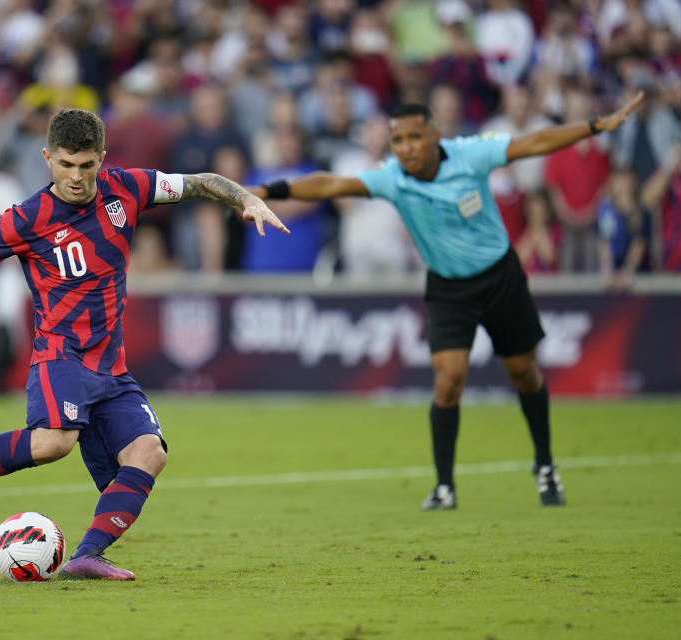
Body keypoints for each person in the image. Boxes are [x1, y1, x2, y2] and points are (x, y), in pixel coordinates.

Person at [0, 109, 288, 580]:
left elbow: (202, 181)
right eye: (66, 165)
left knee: (148, 453)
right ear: (47, 159)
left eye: (86, 165)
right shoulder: (27, 219)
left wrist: (247, 200)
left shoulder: (129, 187)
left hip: (110, 366)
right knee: (54, 442)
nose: (76, 177)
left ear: (102, 159)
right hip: (61, 354)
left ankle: (85, 556)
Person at [252, 92, 644, 510]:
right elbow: (332, 184)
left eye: (414, 138)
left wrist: (594, 126)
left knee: (523, 372)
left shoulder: (471, 156)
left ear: (435, 135)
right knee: (448, 379)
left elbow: (532, 143)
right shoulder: (392, 178)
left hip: (499, 278)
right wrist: (267, 189)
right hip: (448, 287)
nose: (405, 148)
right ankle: (444, 487)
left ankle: (545, 465)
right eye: (397, 139)